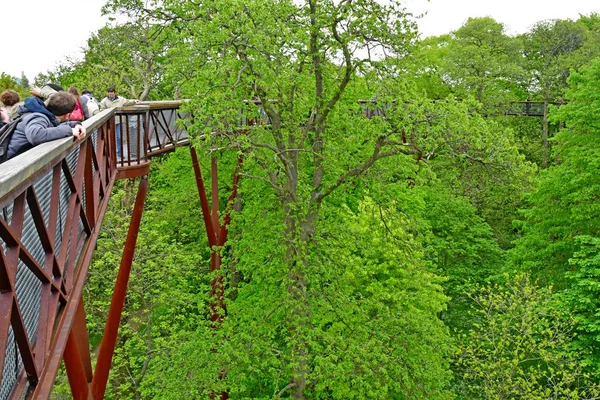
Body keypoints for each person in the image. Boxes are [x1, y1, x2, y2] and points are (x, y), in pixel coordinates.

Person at [6, 91, 86, 160]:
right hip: (9, 166)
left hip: (20, 162)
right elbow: (36, 135)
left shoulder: (46, 116)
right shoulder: (38, 117)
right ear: (67, 115)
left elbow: (56, 126)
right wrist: (69, 131)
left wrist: (75, 124)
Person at [99, 87, 140, 158]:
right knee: (109, 138)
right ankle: (110, 154)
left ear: (115, 93)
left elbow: (127, 102)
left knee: (119, 137)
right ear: (108, 93)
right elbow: (101, 110)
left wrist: (134, 101)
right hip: (109, 122)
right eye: (110, 94)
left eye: (112, 94)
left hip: (119, 121)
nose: (111, 95)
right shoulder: (104, 101)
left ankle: (119, 153)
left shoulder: (120, 99)